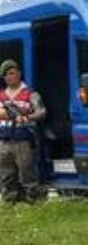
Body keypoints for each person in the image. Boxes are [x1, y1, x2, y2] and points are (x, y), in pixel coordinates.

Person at [0, 59, 46, 203]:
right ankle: (10, 202)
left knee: (27, 173)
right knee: (6, 175)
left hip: (23, 140)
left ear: (19, 73)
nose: (9, 76)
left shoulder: (30, 93)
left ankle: (32, 202)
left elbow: (42, 112)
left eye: (12, 73)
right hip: (4, 141)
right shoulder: (1, 96)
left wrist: (27, 117)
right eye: (6, 74)